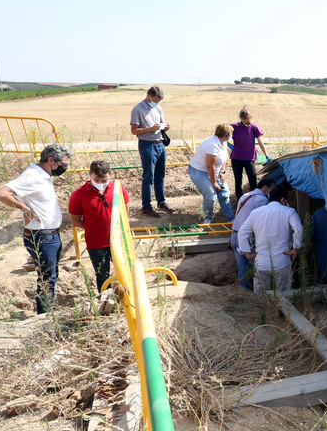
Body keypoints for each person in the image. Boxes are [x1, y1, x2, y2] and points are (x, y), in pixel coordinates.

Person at [0, 143, 73, 314]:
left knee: (50, 277)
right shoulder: (32, 176)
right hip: (41, 236)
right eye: (63, 165)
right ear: (51, 160)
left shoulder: (44, 175)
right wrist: (23, 208)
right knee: (46, 280)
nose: (64, 169)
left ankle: (46, 314)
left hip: (51, 235)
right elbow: (1, 194)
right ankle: (45, 318)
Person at [68, 160, 129, 293]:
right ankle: (107, 304)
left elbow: (125, 212)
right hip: (96, 244)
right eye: (97, 180)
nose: (101, 183)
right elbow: (75, 220)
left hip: (118, 241)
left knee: (126, 271)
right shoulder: (79, 194)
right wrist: (93, 228)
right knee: (102, 276)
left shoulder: (118, 189)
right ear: (90, 175)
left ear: (110, 175)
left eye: (104, 180)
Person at [237, 185, 303, 295]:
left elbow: (242, 232)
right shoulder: (289, 212)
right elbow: (299, 229)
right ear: (283, 199)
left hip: (260, 262)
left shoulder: (256, 213)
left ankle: (264, 312)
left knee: (261, 298)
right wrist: (296, 248)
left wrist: (247, 253)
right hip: (282, 261)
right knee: (284, 297)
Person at [130, 85, 177, 218]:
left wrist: (165, 127)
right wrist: (150, 129)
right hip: (147, 145)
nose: (156, 103)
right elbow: (134, 130)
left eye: (159, 101)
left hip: (160, 143)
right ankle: (146, 206)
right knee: (148, 177)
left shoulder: (159, 109)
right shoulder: (137, 109)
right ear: (148, 96)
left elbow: (161, 126)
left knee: (160, 176)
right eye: (155, 101)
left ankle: (161, 203)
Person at [230, 176, 277, 290]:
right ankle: (257, 296)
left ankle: (243, 293)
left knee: (243, 269)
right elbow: (261, 222)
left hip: (235, 235)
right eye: (272, 189)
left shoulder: (245, 196)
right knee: (257, 267)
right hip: (248, 238)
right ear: (266, 188)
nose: (273, 192)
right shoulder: (262, 200)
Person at [188, 123, 235, 225]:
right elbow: (210, 166)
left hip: (215, 170)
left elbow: (224, 158)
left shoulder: (223, 142)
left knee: (224, 193)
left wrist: (222, 171)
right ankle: (208, 219)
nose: (232, 135)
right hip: (199, 171)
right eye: (231, 133)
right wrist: (214, 183)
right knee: (211, 195)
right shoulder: (212, 145)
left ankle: (231, 219)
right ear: (226, 135)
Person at [229, 107, 268, 197]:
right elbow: (222, 136)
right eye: (245, 119)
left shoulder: (254, 127)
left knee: (253, 181)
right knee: (238, 182)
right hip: (236, 158)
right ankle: (240, 202)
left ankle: (253, 200)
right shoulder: (234, 127)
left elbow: (260, 142)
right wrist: (229, 145)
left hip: (249, 159)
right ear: (241, 118)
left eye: (249, 119)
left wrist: (266, 155)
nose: (247, 121)